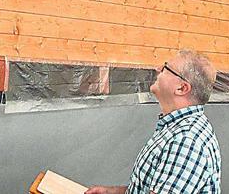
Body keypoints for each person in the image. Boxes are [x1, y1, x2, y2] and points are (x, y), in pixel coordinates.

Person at [86, 50, 222, 194]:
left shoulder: (187, 140)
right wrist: (112, 192)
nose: (158, 70)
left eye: (166, 68)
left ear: (182, 88)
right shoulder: (175, 129)